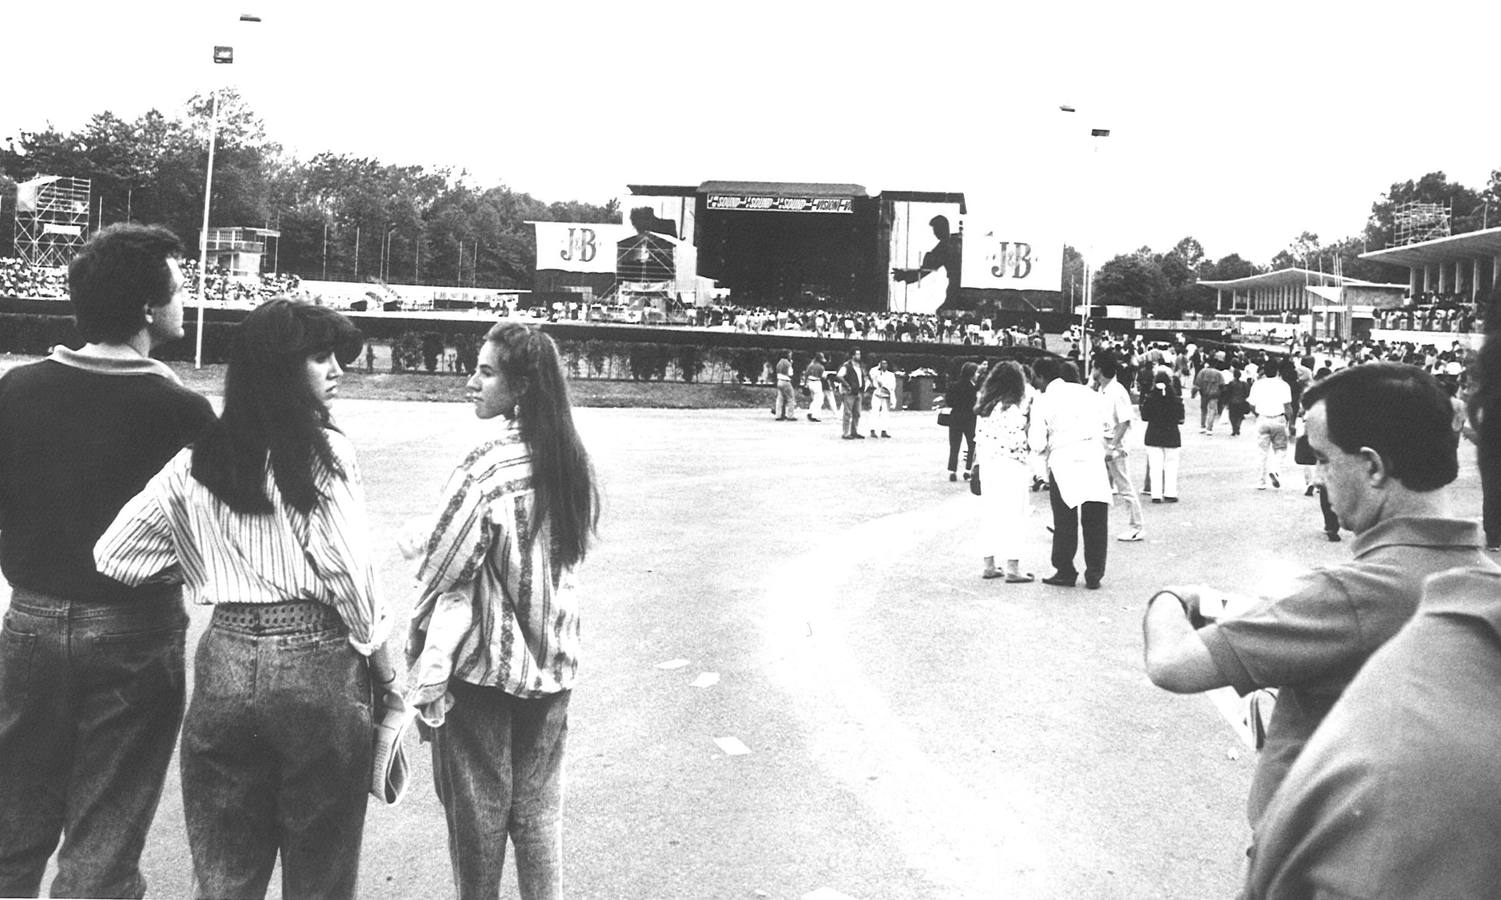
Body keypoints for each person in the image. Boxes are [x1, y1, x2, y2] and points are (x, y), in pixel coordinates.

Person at [94, 299, 398, 899]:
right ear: (280, 369)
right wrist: (389, 677)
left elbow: (116, 555)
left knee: (226, 867)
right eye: (319, 356)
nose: (336, 369)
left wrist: (206, 563)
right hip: (317, 660)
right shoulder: (324, 453)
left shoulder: (195, 462)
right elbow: (352, 576)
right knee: (321, 867)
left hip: (226, 653)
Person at [1142, 363, 1484, 849]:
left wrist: (1174, 597)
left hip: (1312, 855)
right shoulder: (1482, 579)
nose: (1319, 478)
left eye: (1324, 459)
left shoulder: (1350, 595)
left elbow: (1172, 665)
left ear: (1372, 466)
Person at [0, 224, 215, 898]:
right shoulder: (181, 409)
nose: (186, 297)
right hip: (134, 628)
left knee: (14, 822)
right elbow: (210, 536)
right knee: (105, 830)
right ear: (149, 310)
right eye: (179, 287)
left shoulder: (16, 390)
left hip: (31, 618)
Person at [406, 321, 599, 899]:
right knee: (538, 816)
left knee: (479, 816)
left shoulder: (488, 463)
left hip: (486, 671)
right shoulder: (568, 459)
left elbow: (444, 564)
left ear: (519, 389)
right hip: (554, 662)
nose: (472, 382)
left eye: (486, 373)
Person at [1028, 358, 1111, 589]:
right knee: (1095, 518)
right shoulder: (1089, 394)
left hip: (1063, 460)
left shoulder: (1043, 401)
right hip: (1092, 457)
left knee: (1065, 520)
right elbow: (1107, 426)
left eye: (1035, 378)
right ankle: (1095, 573)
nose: (1034, 383)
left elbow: (1036, 442)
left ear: (1043, 377)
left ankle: (1065, 569)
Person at [974, 361, 1036, 582]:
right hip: (1011, 466)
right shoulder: (1012, 411)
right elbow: (1019, 443)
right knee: (1015, 515)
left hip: (988, 466)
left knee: (989, 513)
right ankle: (1012, 567)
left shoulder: (984, 409)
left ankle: (989, 564)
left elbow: (978, 440)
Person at [1093, 352, 1145, 542]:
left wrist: (1112, 447)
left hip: (1115, 447)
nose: (1092, 371)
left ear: (1099, 369)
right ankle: (1087, 525)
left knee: (1124, 487)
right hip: (1104, 443)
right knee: (1097, 487)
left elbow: (1124, 422)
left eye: (1093, 367)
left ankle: (1137, 527)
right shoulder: (1102, 390)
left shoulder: (1117, 391)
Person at [891, 215, 963, 309]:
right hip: (961, 286)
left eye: (936, 229)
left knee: (944, 312)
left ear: (942, 229)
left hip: (955, 287)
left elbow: (925, 270)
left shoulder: (942, 248)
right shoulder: (958, 239)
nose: (935, 233)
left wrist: (904, 275)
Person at [1140, 372, 1184, 503]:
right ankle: (1170, 493)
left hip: (1153, 435)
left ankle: (1156, 494)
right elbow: (1181, 420)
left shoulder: (1149, 398)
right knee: (1171, 465)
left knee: (1155, 466)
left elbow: (1144, 417)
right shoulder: (1176, 400)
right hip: (1172, 435)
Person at [1248, 364, 1292, 488]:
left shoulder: (1257, 384)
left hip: (1262, 418)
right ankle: (1275, 469)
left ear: (1264, 372)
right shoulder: (1284, 385)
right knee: (1280, 449)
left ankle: (1260, 482)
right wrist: (1291, 422)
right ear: (1277, 371)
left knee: (1261, 452)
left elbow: (1251, 404)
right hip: (1278, 419)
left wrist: (1258, 414)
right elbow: (1288, 407)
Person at [946, 361, 980, 480]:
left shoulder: (953, 385)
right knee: (971, 444)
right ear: (971, 374)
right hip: (970, 418)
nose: (977, 375)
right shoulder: (974, 389)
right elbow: (976, 404)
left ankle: (952, 470)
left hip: (955, 417)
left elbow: (949, 401)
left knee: (954, 445)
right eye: (976, 373)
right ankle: (967, 469)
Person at [837, 348, 867, 439]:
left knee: (857, 413)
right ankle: (845, 432)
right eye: (857, 354)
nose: (859, 356)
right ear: (852, 355)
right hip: (849, 392)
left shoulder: (860, 366)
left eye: (859, 354)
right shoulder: (847, 366)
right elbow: (839, 376)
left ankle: (854, 431)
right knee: (847, 413)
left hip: (858, 391)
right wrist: (847, 385)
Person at [1191, 361, 1225, 434]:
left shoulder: (1202, 372)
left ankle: (1202, 426)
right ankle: (1209, 428)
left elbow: (1197, 384)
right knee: (1212, 410)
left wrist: (1193, 394)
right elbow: (1222, 385)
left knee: (1203, 410)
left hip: (1204, 393)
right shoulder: (1219, 374)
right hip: (1214, 394)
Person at [869, 359, 896, 438]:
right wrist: (878, 367)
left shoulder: (891, 375)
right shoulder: (876, 373)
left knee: (885, 413)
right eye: (882, 364)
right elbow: (871, 373)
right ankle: (872, 430)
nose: (884, 365)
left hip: (886, 396)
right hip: (877, 395)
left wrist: (886, 388)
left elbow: (892, 386)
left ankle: (884, 430)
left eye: (885, 364)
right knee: (874, 412)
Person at [1222, 367, 1252, 436]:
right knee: (1240, 416)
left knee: (1232, 416)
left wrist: (1225, 402)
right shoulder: (1244, 384)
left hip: (1232, 402)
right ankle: (1238, 427)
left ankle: (1234, 428)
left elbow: (1228, 393)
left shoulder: (1231, 383)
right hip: (1241, 401)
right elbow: (1247, 393)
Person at [772, 349, 796, 421]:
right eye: (790, 354)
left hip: (779, 381)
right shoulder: (787, 363)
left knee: (780, 399)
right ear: (787, 355)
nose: (791, 355)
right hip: (786, 381)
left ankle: (778, 415)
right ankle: (790, 415)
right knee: (790, 398)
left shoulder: (779, 363)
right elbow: (790, 373)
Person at [803, 352, 827, 422]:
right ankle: (813, 414)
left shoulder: (810, 365)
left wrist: (805, 384)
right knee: (819, 400)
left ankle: (811, 412)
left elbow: (806, 374)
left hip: (810, 382)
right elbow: (823, 377)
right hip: (817, 383)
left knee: (814, 399)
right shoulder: (821, 367)